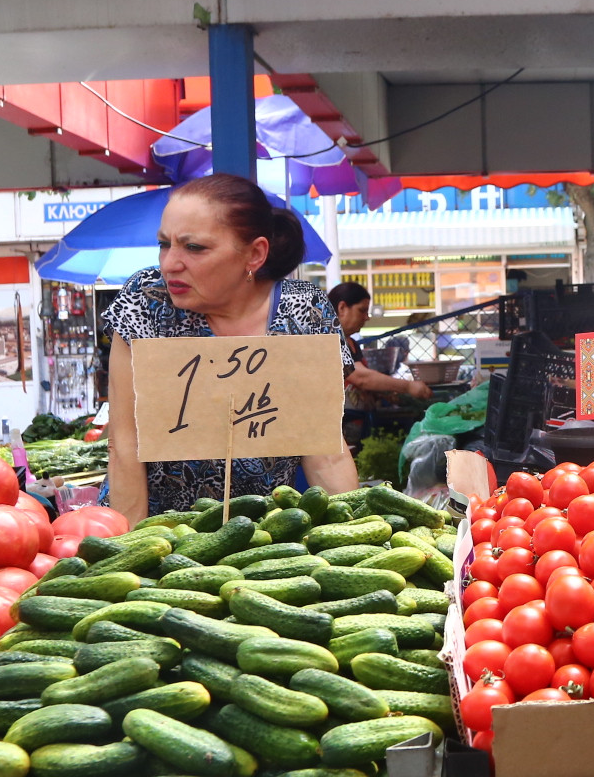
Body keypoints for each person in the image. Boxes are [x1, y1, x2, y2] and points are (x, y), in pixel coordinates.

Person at [101, 173, 358, 523]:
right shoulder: (147, 301)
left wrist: (358, 534)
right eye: (164, 244)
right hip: (158, 531)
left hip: (263, 541)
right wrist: (133, 553)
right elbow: (125, 445)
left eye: (194, 247)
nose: (169, 263)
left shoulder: (305, 312)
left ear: (254, 254)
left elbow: (326, 453)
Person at [327, 282, 433, 402]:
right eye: (362, 310)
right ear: (342, 308)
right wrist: (408, 386)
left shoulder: (351, 344)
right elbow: (361, 378)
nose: (367, 317)